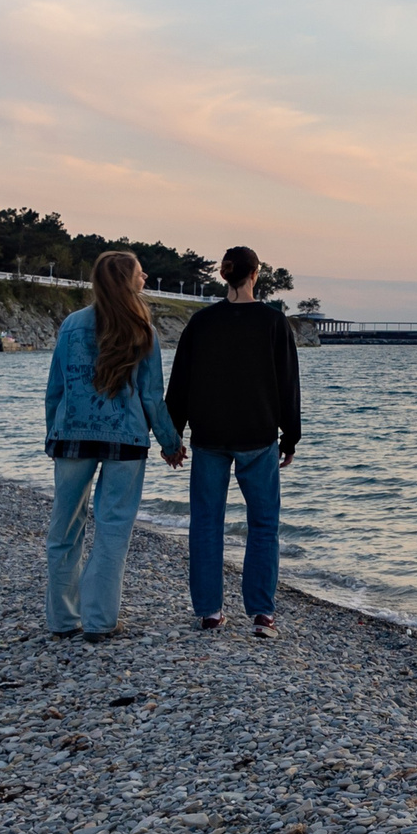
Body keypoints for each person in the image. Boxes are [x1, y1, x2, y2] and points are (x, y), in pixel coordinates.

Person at [44, 251, 181, 643]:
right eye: (140, 272)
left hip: (72, 436)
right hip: (126, 439)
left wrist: (53, 434)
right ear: (126, 280)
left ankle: (63, 621)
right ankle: (100, 621)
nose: (145, 276)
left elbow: (56, 388)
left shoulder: (72, 325)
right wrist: (170, 443)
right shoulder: (142, 330)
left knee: (64, 529)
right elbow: (151, 397)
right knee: (113, 530)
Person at [165, 245, 302, 637]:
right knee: (263, 524)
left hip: (209, 435)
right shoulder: (274, 322)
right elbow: (288, 384)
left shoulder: (202, 322)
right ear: (256, 274)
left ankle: (210, 612)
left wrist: (173, 436)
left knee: (206, 523)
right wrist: (290, 436)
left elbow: (180, 382)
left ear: (224, 275)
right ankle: (262, 615)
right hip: (257, 436)